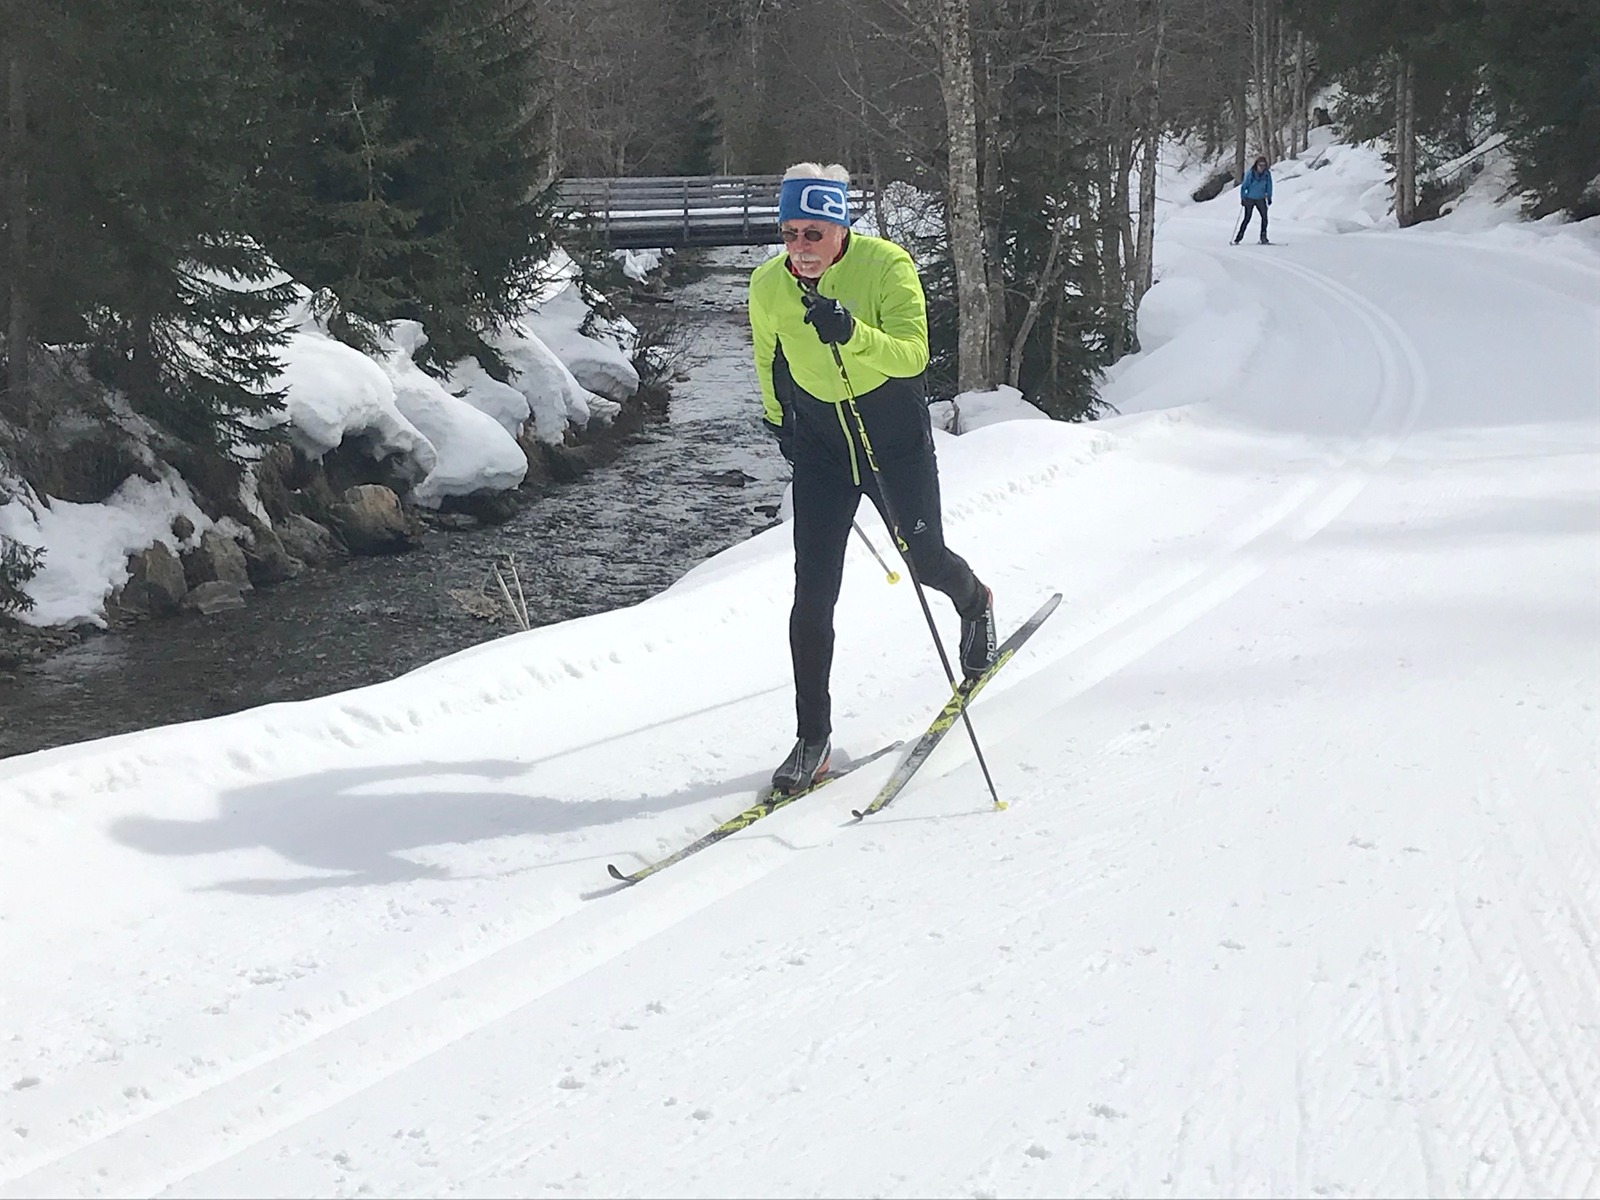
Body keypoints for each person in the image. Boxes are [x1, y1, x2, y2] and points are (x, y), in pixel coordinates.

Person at [748, 162, 995, 794]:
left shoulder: (886, 266)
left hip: (892, 441)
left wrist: (852, 333)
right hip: (823, 449)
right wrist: (779, 422)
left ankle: (976, 602)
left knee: (926, 561)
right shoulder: (768, 284)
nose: (800, 248)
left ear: (840, 228)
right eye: (789, 233)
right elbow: (768, 357)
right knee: (812, 593)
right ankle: (812, 738)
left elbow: (913, 356)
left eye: (813, 234)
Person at [1234, 155, 1273, 244]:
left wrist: (1269, 196)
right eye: (1260, 165)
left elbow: (1269, 186)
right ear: (1256, 165)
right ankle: (1238, 237)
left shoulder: (1267, 174)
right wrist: (1243, 197)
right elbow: (1244, 186)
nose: (1262, 168)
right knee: (1247, 218)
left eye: (1264, 165)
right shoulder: (1251, 173)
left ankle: (1263, 237)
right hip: (1250, 198)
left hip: (1261, 198)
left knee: (1264, 218)